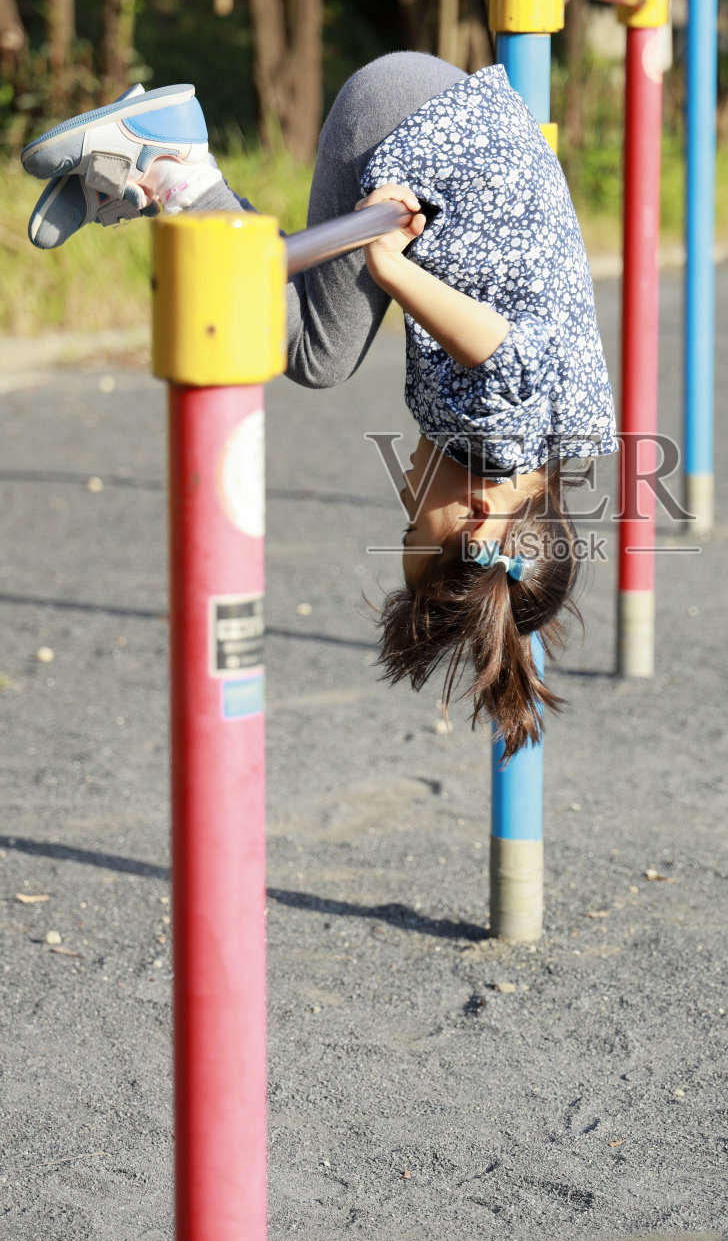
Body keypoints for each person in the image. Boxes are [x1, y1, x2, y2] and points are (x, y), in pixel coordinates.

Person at [20, 54, 617, 752]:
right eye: (413, 529)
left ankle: (139, 175)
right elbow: (504, 349)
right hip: (410, 126)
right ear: (481, 517)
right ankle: (170, 164)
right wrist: (389, 266)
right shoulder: (505, 442)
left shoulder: (547, 442)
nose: (404, 501)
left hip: (450, 117)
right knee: (320, 358)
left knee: (309, 329)